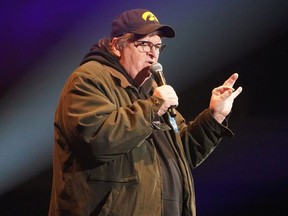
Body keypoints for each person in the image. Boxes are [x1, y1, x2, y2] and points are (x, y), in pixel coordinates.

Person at [48, 8, 242, 216]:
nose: (153, 53)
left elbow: (182, 152)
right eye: (144, 45)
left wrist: (214, 117)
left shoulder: (150, 91)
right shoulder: (89, 79)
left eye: (158, 46)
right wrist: (153, 106)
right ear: (117, 46)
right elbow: (98, 140)